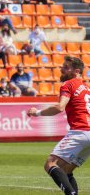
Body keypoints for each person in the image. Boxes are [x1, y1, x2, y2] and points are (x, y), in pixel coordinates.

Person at [27, 56, 90, 195]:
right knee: (67, 170)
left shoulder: (68, 84)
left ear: (76, 71)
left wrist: (37, 113)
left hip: (80, 132)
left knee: (50, 164)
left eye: (66, 67)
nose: (61, 69)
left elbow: (60, 107)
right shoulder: (86, 88)